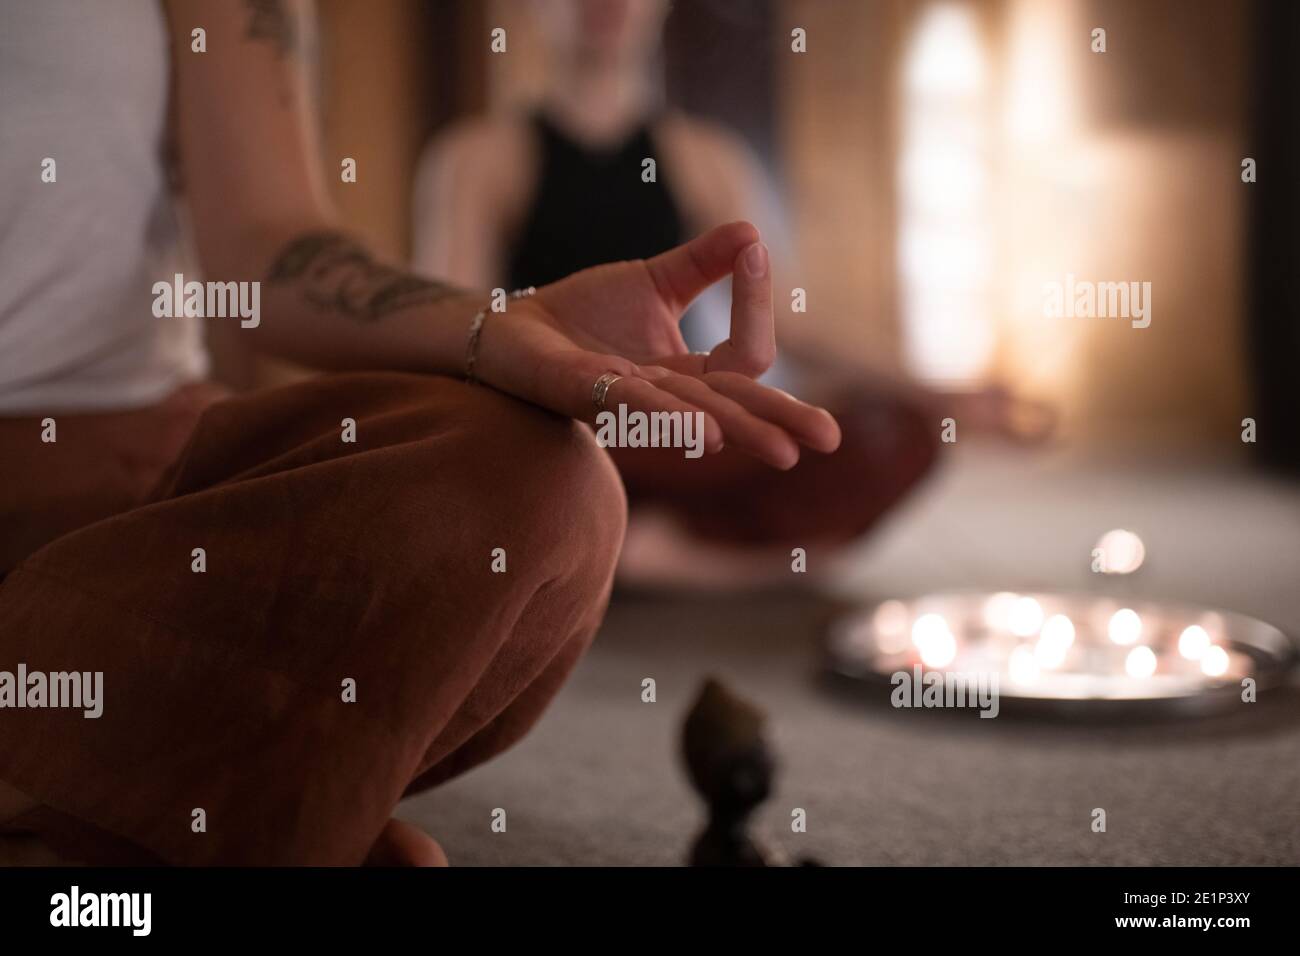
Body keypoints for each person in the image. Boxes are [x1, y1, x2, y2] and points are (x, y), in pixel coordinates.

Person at [0, 0, 839, 865]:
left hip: (133, 460)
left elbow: (265, 245)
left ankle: (89, 795)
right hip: (605, 417)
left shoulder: (709, 156)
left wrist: (504, 328)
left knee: (541, 485)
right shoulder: (481, 156)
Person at [412, 0, 949, 586]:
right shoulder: (476, 157)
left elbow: (792, 323)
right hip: (556, 430)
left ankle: (641, 553)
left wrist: (934, 391)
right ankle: (646, 548)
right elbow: (449, 331)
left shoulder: (708, 159)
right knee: (456, 443)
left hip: (677, 431)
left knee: (894, 432)